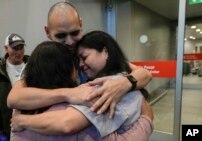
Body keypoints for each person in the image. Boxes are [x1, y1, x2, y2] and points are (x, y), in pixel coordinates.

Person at [8, 1, 153, 139]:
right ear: (47, 31)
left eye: (74, 33)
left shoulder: (87, 49)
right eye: (61, 35)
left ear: (81, 24)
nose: (70, 41)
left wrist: (124, 83)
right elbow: (14, 98)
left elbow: (144, 73)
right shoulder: (44, 60)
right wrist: (69, 94)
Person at [0, 33, 29, 140]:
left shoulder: (32, 65)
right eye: (15, 48)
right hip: (8, 125)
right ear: (6, 48)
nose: (19, 52)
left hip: (31, 122)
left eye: (21, 48)